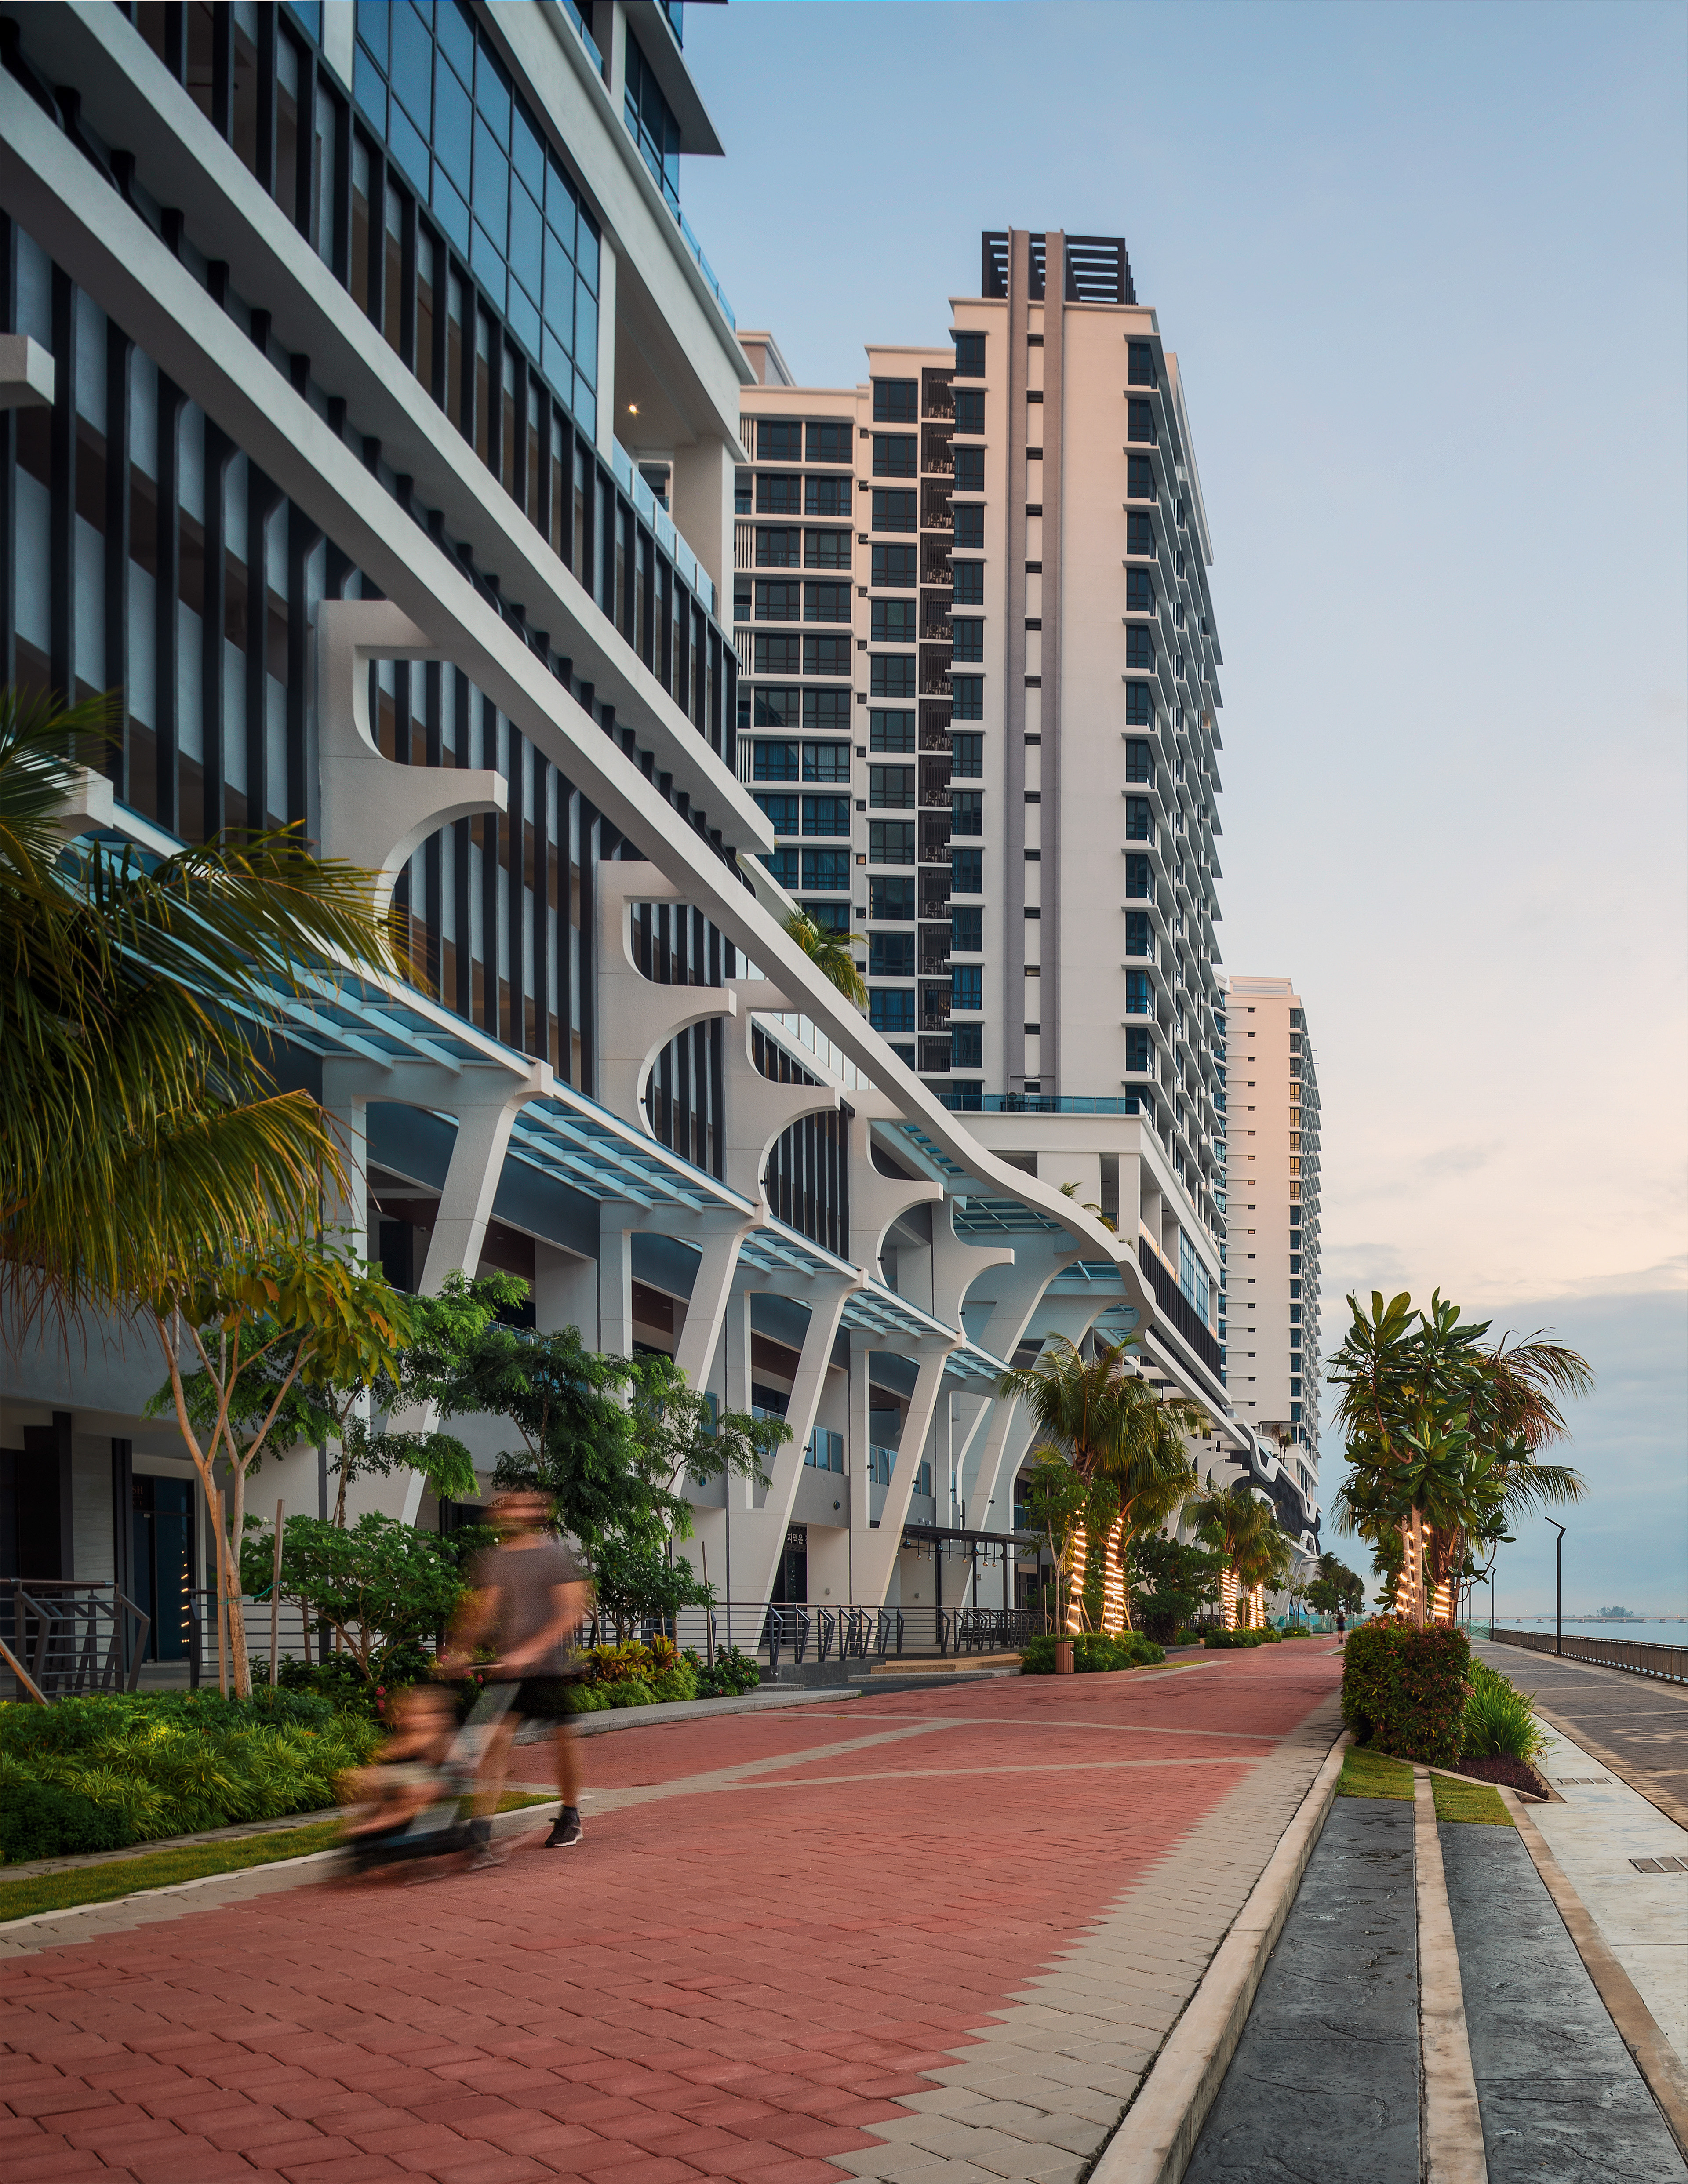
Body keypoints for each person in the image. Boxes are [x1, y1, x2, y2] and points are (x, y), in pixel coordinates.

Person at [440, 1490, 590, 1864]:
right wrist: (462, 1647)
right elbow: (482, 1609)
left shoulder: (554, 1555)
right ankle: (480, 1829)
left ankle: (570, 1814)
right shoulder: (494, 1560)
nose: (512, 1512)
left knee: (564, 1737)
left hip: (547, 1667)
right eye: (508, 1507)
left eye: (522, 1506)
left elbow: (571, 1612)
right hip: (509, 1667)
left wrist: (530, 1651)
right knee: (495, 1740)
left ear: (536, 1514)